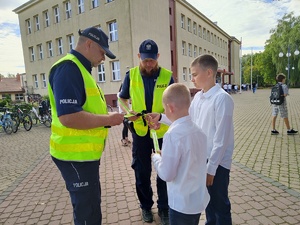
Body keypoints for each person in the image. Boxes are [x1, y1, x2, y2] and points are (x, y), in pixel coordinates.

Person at [48, 27, 124, 225]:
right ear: (89, 44)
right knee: (87, 213)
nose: (104, 58)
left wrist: (110, 117)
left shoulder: (80, 70)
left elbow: (84, 108)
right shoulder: (69, 69)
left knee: (89, 206)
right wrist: (108, 120)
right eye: (102, 52)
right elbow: (69, 117)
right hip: (75, 156)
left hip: (82, 156)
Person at [148, 54, 234, 225]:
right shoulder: (199, 98)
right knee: (209, 204)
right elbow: (186, 119)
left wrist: (211, 168)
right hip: (204, 159)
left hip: (217, 163)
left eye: (194, 74)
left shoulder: (222, 99)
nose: (192, 78)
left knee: (220, 206)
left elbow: (221, 139)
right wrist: (161, 117)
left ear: (209, 72)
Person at [118, 39, 174, 225]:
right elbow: (122, 98)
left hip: (162, 133)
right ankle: (146, 207)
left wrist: (163, 117)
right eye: (145, 60)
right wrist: (128, 113)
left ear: (157, 57)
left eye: (151, 60)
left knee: (164, 172)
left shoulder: (167, 76)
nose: (148, 64)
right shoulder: (131, 75)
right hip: (140, 132)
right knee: (141, 172)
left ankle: (164, 208)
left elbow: (176, 105)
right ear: (139, 57)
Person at [151, 83, 210, 225]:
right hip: (197, 200)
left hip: (181, 204)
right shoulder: (199, 131)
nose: (165, 111)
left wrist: (157, 158)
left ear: (170, 107)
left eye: (165, 109)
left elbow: (167, 174)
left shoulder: (172, 135)